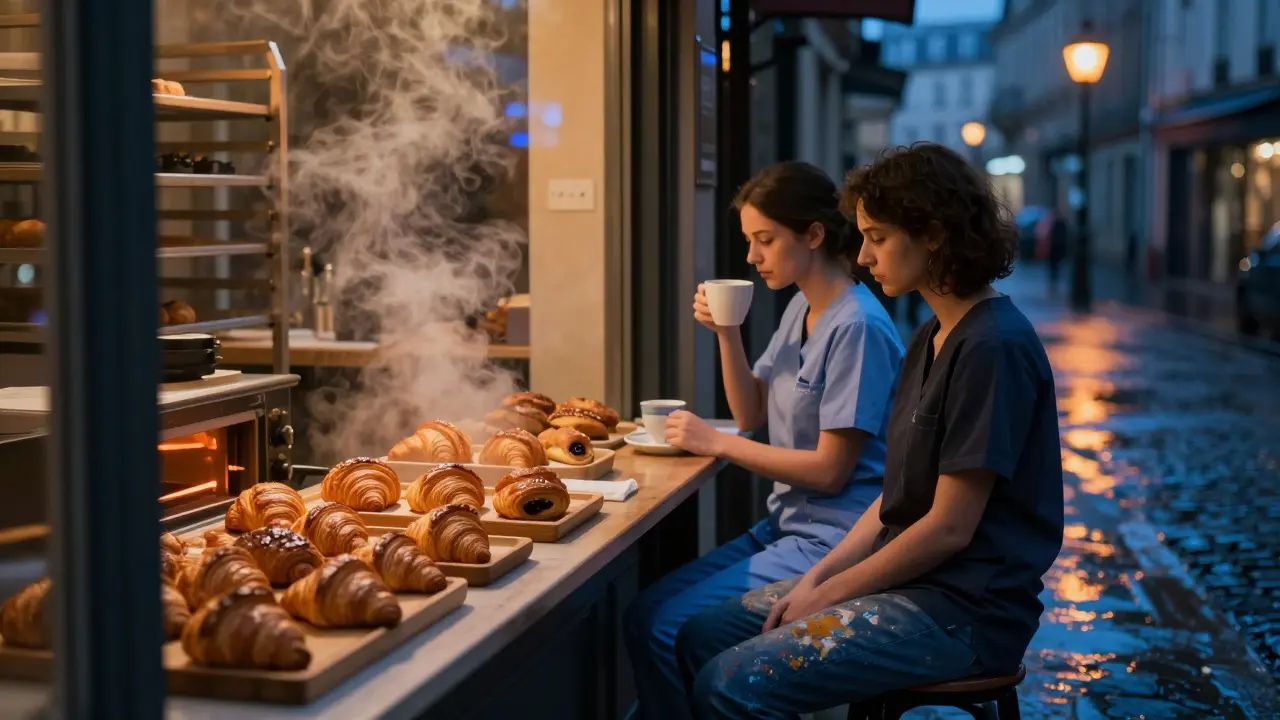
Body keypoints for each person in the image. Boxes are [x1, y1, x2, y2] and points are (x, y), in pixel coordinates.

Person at [674, 143, 1064, 719]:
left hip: (963, 610)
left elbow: (949, 527)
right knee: (700, 636)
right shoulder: (932, 334)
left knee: (730, 683)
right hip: (915, 584)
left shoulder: (992, 346)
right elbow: (893, 497)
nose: (861, 255)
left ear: (934, 235)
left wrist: (831, 591)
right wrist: (820, 577)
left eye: (877, 237)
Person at [623, 161, 905, 720]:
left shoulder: (858, 327)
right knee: (643, 615)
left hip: (834, 542)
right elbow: (750, 412)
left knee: (666, 628)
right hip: (785, 526)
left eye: (765, 239)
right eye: (749, 241)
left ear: (814, 234)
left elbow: (830, 471)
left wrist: (717, 443)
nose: (752, 257)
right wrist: (727, 333)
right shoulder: (801, 306)